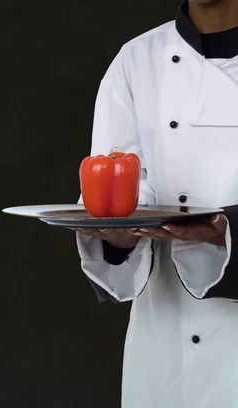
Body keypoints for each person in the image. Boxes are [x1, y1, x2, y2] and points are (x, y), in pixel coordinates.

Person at [75, 0, 238, 406]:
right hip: (167, 333)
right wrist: (118, 238)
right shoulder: (137, 60)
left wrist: (228, 232)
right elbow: (122, 183)